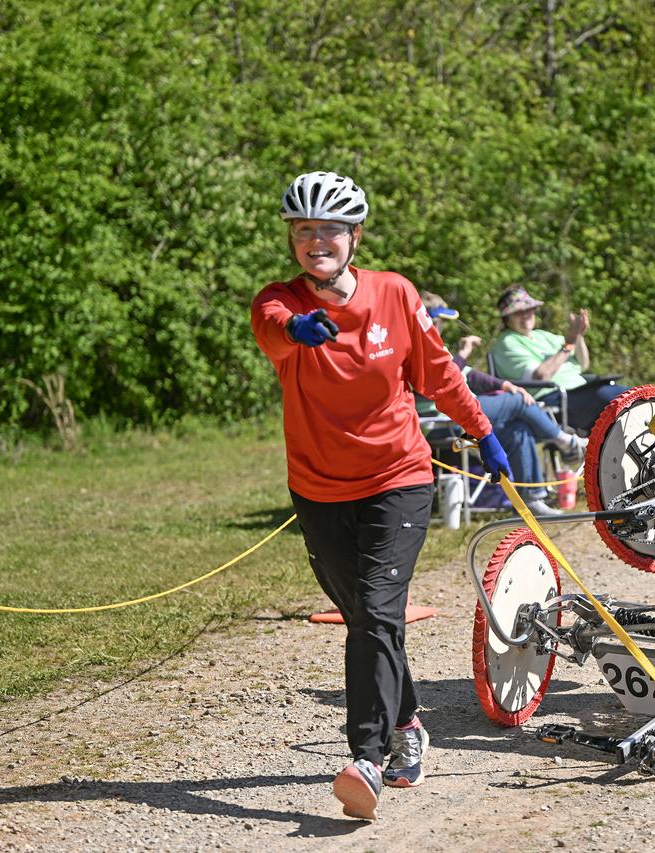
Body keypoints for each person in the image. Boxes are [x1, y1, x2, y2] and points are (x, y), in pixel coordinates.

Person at [250, 170, 512, 820]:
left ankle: (365, 756)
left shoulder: (394, 294)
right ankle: (409, 724)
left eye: (330, 229)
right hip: (317, 488)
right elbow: (274, 327)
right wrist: (300, 330)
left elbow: (438, 372)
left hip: (397, 479)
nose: (317, 241)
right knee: (372, 618)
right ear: (292, 237)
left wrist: (481, 429)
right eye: (304, 230)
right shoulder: (277, 301)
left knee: (372, 611)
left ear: (355, 235)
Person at [420, 291, 587, 516]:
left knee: (518, 430)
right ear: (427, 321)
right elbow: (444, 378)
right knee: (517, 400)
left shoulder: (433, 346)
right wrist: (462, 353)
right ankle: (564, 441)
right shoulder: (418, 347)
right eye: (439, 323)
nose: (440, 329)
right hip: (441, 419)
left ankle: (532, 501)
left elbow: (470, 375)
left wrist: (505, 384)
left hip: (460, 412)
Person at [487, 286, 627, 434]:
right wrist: (569, 344)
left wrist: (578, 336)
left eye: (529, 309)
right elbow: (540, 376)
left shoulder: (543, 336)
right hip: (553, 399)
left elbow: (583, 364)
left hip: (579, 392)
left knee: (632, 398)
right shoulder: (507, 343)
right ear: (507, 319)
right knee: (619, 397)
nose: (526, 315)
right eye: (518, 312)